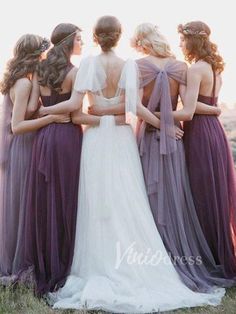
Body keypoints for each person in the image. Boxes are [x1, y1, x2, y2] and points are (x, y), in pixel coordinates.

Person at [41, 16, 225, 312]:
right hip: (122, 139)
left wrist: (97, 112)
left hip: (97, 140)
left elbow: (78, 113)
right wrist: (114, 114)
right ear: (118, 36)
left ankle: (98, 263)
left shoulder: (87, 64)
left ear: (97, 37)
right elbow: (130, 107)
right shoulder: (128, 65)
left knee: (97, 202)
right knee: (129, 199)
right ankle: (139, 263)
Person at [89, 22, 236, 291]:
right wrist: (169, 125)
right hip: (175, 138)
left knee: (146, 194)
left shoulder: (137, 65)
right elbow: (185, 106)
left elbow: (134, 105)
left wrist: (158, 124)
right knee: (177, 194)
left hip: (148, 134)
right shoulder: (180, 66)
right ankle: (183, 254)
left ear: (142, 43)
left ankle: (154, 255)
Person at [21, 23, 85, 295]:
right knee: (67, 197)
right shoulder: (75, 72)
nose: (83, 43)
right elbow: (73, 107)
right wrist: (57, 114)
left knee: (46, 199)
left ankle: (45, 263)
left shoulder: (40, 70)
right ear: (69, 42)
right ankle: (65, 263)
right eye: (80, 39)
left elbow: (34, 107)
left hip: (45, 137)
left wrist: (45, 114)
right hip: (68, 137)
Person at [0, 33, 65, 283]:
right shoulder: (23, 84)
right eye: (44, 53)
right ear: (37, 55)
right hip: (23, 146)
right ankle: (21, 263)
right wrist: (50, 118)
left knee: (24, 204)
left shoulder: (26, 79)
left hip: (28, 145)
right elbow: (17, 126)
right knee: (23, 204)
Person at [176, 20, 236, 278]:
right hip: (215, 131)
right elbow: (211, 103)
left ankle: (207, 256)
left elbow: (189, 111)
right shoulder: (215, 68)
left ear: (191, 41)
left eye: (181, 40)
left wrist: (160, 111)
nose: (180, 44)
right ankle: (216, 250)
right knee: (215, 192)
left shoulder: (196, 69)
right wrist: (214, 109)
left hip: (199, 132)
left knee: (200, 192)